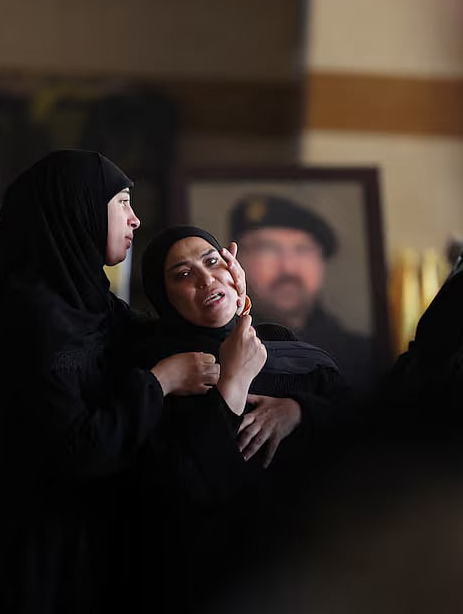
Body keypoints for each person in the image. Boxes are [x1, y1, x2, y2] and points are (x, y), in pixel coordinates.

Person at [0, 150, 245, 613]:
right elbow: (76, 449)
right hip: (18, 562)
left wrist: (232, 301)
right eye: (121, 203)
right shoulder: (28, 323)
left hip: (75, 556)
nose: (135, 219)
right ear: (78, 210)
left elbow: (165, 336)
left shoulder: (92, 303)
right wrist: (160, 381)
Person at [129, 225, 352, 612]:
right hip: (214, 581)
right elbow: (184, 488)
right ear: (164, 298)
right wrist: (232, 383)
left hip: (310, 572)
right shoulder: (157, 375)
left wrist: (298, 410)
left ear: (234, 270)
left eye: (213, 261)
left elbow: (360, 436)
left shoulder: (284, 346)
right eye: (183, 274)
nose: (206, 279)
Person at [229, 194, 374, 391]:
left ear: (321, 264)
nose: (288, 267)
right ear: (237, 260)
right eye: (268, 249)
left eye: (303, 249)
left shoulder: (361, 354)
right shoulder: (218, 350)